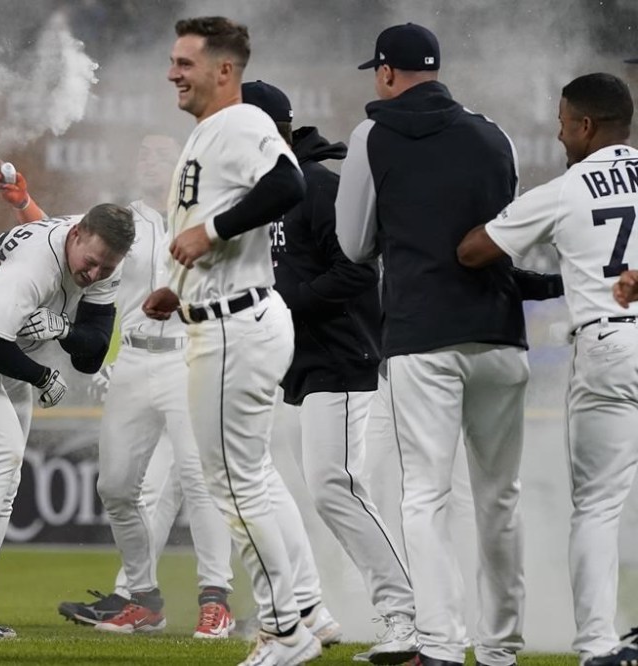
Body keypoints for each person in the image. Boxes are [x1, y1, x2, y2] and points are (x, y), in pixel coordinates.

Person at [335, 23, 561, 666]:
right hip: (498, 331)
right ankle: (501, 648)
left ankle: (438, 641)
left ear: (384, 73)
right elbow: (507, 231)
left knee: (426, 496)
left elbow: (353, 243)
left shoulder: (371, 134)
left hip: (421, 337)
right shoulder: (495, 133)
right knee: (500, 497)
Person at [0, 136, 240, 639]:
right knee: (119, 487)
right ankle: (142, 599)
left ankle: (216, 599)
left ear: (181, 166)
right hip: (131, 361)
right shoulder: (123, 224)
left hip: (189, 360)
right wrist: (25, 204)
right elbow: (67, 243)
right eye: (143, 151)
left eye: (160, 152)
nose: (148, 158)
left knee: (200, 482)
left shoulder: (205, 220)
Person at [142, 16, 323, 666]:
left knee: (235, 487)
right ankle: (308, 608)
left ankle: (285, 633)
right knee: (254, 480)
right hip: (225, 312)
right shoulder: (209, 134)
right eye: (172, 61)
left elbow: (288, 183)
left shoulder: (241, 121)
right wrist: (176, 286)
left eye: (185, 63)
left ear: (225, 71)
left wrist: (212, 231)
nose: (172, 73)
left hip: (233, 325)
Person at [456, 72, 638, 666]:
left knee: (597, 507)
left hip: (609, 348)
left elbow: (474, 250)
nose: (559, 134)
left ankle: (597, 646)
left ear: (586, 125)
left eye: (563, 123)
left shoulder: (570, 187)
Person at [244, 78, 419, 664]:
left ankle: (407, 613)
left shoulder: (317, 186)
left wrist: (282, 308)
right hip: (297, 366)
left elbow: (357, 272)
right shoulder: (263, 193)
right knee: (301, 492)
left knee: (334, 485)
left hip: (340, 357)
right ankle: (308, 611)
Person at [0, 203, 135, 640]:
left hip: (7, 343)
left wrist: (65, 330)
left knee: (9, 468)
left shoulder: (103, 259)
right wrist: (41, 375)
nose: (94, 274)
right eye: (90, 263)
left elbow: (91, 355)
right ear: (76, 234)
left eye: (105, 267)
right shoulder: (35, 265)